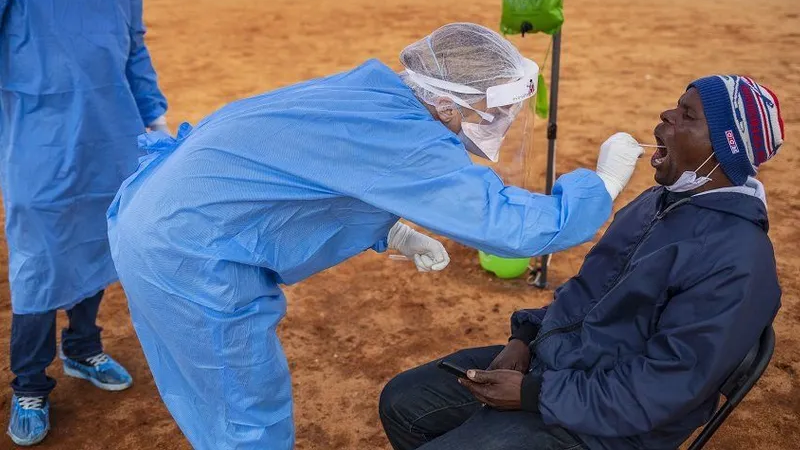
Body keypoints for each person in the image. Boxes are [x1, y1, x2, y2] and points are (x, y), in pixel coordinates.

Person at [107, 23, 643, 450]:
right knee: (240, 410)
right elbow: (516, 229)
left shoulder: (378, 93)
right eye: (497, 108)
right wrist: (601, 185)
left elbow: (316, 174)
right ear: (451, 101)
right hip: (187, 251)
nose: (502, 120)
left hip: (158, 211)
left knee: (214, 398)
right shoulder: (409, 138)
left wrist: (392, 232)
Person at [380, 75, 784, 450]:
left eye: (688, 115)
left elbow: (665, 387)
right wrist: (525, 337)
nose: (667, 115)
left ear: (724, 150)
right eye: (677, 105)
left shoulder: (737, 260)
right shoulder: (656, 204)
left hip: (611, 427)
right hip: (558, 366)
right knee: (401, 402)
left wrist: (532, 395)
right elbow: (585, 293)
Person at [0, 0, 169, 447]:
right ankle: (28, 382)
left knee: (98, 242)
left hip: (110, 135)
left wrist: (154, 114)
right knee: (39, 259)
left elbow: (133, 50)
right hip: (39, 142)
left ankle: (84, 348)